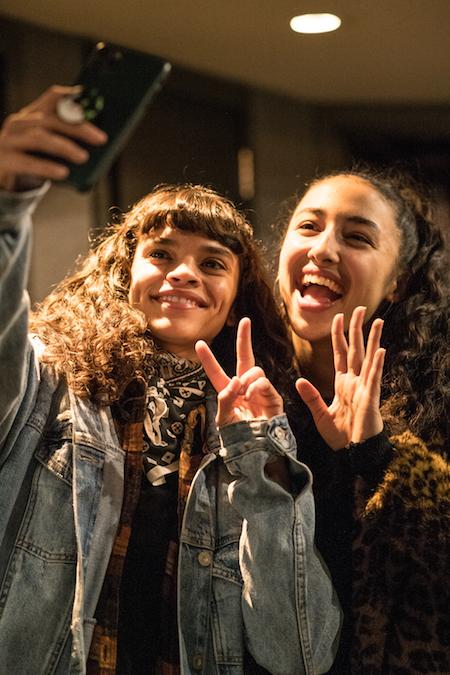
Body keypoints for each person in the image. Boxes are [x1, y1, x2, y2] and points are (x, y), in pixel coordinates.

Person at [0, 86, 341, 675]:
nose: (183, 273)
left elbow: (298, 655)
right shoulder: (44, 382)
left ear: (237, 300)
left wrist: (258, 459)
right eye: (161, 254)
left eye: (212, 262)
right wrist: (8, 205)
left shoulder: (263, 424)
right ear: (121, 275)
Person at [275, 168, 449, 674]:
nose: (324, 249)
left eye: (356, 237)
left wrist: (377, 454)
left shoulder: (434, 401)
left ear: (396, 283)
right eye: (308, 227)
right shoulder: (237, 382)